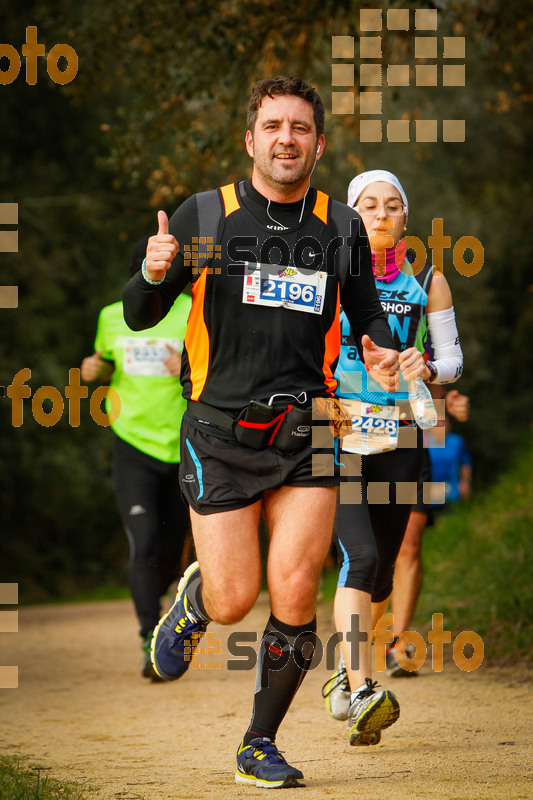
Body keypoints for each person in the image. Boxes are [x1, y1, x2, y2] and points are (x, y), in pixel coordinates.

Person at [122, 77, 399, 788]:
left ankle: (257, 743)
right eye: (272, 126)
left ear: (318, 143)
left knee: (296, 588)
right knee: (232, 599)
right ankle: (194, 604)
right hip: (218, 432)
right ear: (250, 140)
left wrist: (378, 345)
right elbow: (138, 315)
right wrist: (153, 274)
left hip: (307, 427)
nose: (285, 138)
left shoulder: (340, 227)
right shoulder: (206, 218)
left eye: (299, 128)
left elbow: (366, 309)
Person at [322, 170, 464, 736]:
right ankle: (361, 687)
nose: (381, 215)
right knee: (358, 558)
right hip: (335, 433)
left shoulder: (428, 280)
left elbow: (453, 363)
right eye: (368, 206)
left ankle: (344, 672)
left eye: (393, 206)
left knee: (379, 572)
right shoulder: (328, 276)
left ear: (406, 219)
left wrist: (424, 366)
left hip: (403, 436)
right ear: (352, 217)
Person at [81, 238, 192, 681]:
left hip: (185, 444)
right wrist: (94, 371)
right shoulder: (112, 317)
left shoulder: (192, 310)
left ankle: (161, 604)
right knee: (143, 541)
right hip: (132, 444)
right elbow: (106, 367)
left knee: (171, 551)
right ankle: (151, 638)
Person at [388, 389, 471, 676]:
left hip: (411, 442)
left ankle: (396, 644)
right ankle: (357, 648)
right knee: (371, 552)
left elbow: (437, 371)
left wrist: (444, 403)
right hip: (358, 443)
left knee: (409, 546)